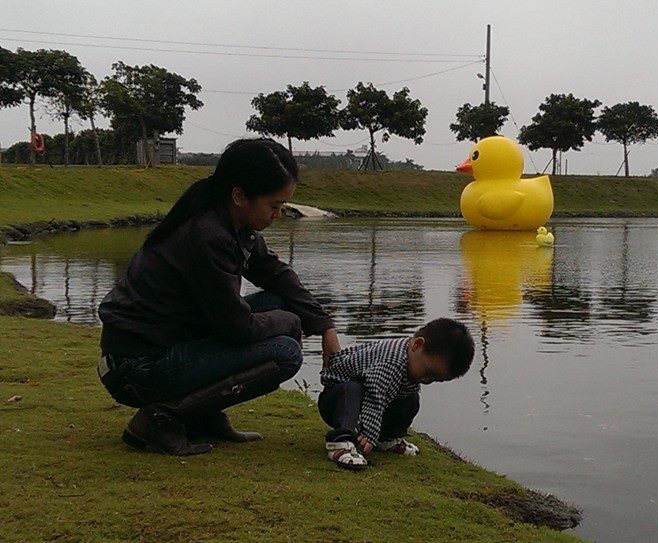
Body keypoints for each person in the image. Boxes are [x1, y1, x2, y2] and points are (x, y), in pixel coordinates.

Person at [97, 138, 341, 456]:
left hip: (167, 342)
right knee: (286, 352)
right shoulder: (207, 234)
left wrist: (325, 326)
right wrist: (293, 322)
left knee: (281, 302)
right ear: (240, 195)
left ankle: (200, 414)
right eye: (274, 205)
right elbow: (236, 328)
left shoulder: (230, 220)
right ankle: (161, 419)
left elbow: (275, 274)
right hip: (137, 365)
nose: (278, 214)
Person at [319, 318, 474, 470]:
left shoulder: (410, 358)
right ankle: (340, 443)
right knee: (352, 389)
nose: (426, 380)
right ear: (417, 344)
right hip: (337, 400)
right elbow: (375, 396)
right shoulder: (392, 362)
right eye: (428, 372)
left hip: (368, 396)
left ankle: (387, 438)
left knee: (411, 398)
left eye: (435, 379)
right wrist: (369, 433)